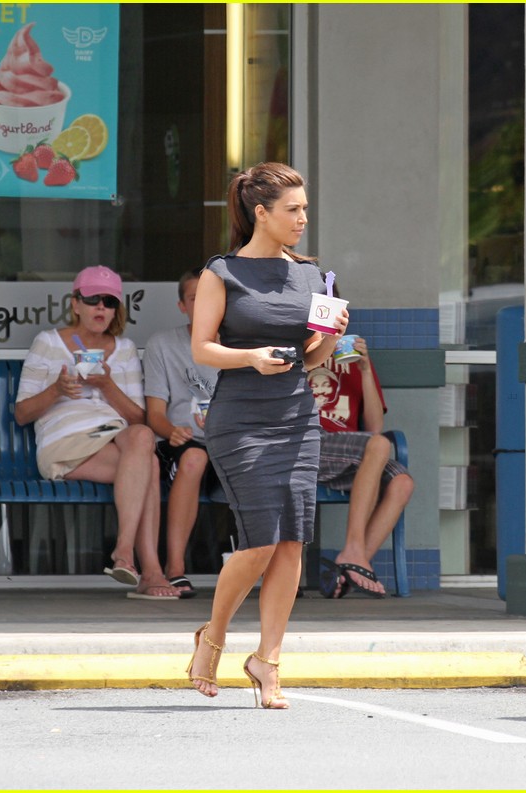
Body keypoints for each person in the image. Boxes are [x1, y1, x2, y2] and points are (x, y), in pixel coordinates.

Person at [185, 161, 347, 709]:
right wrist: (251, 357)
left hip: (297, 416)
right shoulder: (222, 273)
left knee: (293, 541)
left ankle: (268, 660)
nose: (303, 218)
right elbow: (202, 348)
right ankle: (213, 634)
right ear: (261, 213)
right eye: (292, 209)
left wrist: (329, 336)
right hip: (241, 421)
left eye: (305, 208)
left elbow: (313, 359)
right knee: (258, 543)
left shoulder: (312, 276)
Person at [14, 266, 178, 600]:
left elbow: (138, 418)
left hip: (111, 436)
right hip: (64, 443)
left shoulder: (125, 349)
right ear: (75, 304)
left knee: (143, 439)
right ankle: (148, 569)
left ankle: (125, 553)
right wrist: (57, 390)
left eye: (109, 301)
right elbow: (21, 414)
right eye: (92, 300)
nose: (101, 307)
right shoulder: (48, 342)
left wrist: (107, 385)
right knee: (151, 466)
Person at [307, 334, 415, 597]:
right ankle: (354, 550)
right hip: (307, 444)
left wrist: (365, 369)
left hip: (349, 452)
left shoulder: (352, 357)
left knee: (402, 483)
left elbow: (375, 427)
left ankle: (350, 564)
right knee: (378, 445)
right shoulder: (297, 349)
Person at [143, 270, 220, 599]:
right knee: (193, 457)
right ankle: (175, 568)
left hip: (227, 441)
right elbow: (155, 415)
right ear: (182, 306)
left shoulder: (236, 346)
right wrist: (172, 432)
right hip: (181, 442)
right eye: (194, 298)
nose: (203, 304)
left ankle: (276, 572)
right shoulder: (163, 344)